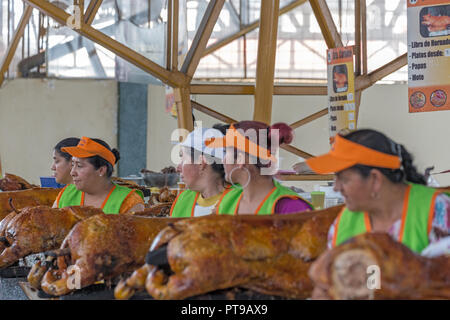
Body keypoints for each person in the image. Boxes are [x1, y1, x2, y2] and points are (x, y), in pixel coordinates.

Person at [302, 129, 449, 254]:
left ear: (375, 179)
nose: (336, 187)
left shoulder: (437, 210)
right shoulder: (345, 221)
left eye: (344, 180)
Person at [206, 121, 313, 215]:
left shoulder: (291, 207)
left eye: (225, 152)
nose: (223, 160)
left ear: (240, 159)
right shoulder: (227, 200)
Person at [53, 136, 145, 214]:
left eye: (79, 166)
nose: (72, 172)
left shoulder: (128, 201)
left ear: (101, 170)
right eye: (73, 165)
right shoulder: (67, 194)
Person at [170, 125, 230, 217]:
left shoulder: (240, 200)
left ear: (201, 163)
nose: (178, 168)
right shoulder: (183, 200)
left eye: (183, 158)